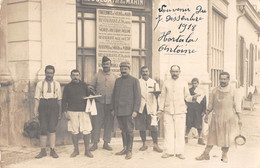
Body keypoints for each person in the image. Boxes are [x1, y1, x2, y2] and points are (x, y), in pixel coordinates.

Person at [196, 72, 242, 163]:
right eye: (221, 79)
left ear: (228, 79)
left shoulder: (233, 91)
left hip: (228, 117)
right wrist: (207, 114)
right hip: (215, 116)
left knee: (226, 137)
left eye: (225, 79)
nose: (223, 81)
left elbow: (237, 105)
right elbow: (210, 104)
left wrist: (240, 118)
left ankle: (224, 154)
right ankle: (206, 153)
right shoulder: (214, 90)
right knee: (211, 136)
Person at [157, 65, 196, 159]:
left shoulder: (183, 83)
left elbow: (187, 96)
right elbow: (162, 97)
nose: (174, 73)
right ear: (170, 72)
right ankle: (168, 151)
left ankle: (179, 152)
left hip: (180, 111)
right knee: (168, 131)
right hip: (168, 111)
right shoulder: (166, 83)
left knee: (180, 132)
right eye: (173, 71)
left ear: (179, 72)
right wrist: (160, 109)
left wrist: (192, 98)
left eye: (176, 71)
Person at [112, 61, 141, 160]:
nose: (123, 70)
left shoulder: (134, 81)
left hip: (129, 111)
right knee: (123, 130)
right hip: (119, 110)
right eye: (122, 69)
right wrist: (113, 108)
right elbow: (114, 95)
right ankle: (124, 148)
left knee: (129, 131)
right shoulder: (118, 81)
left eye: (125, 69)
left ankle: (129, 150)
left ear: (129, 70)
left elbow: (138, 97)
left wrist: (135, 110)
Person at [62, 69, 93, 158]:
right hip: (72, 111)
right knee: (74, 131)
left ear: (79, 76)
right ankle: (76, 150)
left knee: (86, 130)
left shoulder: (84, 85)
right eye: (73, 75)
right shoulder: (67, 87)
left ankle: (87, 151)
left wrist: (89, 109)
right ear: (71, 76)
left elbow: (88, 97)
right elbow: (64, 100)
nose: (75, 77)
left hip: (84, 111)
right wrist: (64, 111)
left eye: (77, 75)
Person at [89, 56, 117, 151]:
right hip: (98, 103)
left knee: (108, 124)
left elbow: (117, 91)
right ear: (102, 65)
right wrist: (94, 94)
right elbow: (90, 87)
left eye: (107, 64)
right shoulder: (96, 75)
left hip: (110, 104)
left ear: (110, 65)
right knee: (96, 123)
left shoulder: (115, 77)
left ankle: (106, 143)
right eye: (104, 64)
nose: (106, 66)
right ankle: (95, 143)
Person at [34, 65, 62, 159]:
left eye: (51, 73)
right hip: (43, 105)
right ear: (45, 73)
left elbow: (59, 99)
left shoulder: (57, 84)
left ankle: (52, 150)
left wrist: (60, 111)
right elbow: (37, 98)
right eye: (48, 73)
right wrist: (35, 109)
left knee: (52, 128)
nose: (49, 75)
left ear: (53, 73)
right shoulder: (39, 84)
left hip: (53, 105)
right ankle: (42, 150)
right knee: (43, 127)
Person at [135, 66, 163, 153]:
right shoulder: (138, 82)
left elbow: (159, 96)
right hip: (141, 107)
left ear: (149, 72)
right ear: (141, 73)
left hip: (152, 107)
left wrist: (159, 109)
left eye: (146, 71)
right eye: (143, 71)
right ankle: (144, 144)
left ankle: (155, 144)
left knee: (154, 126)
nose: (145, 73)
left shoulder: (154, 82)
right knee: (142, 126)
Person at [185, 78, 206, 145]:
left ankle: (200, 138)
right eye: (193, 83)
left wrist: (204, 110)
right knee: (189, 124)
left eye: (196, 83)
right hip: (191, 109)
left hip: (198, 110)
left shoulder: (201, 91)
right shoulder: (189, 91)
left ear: (198, 83)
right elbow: (186, 99)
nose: (195, 85)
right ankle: (185, 137)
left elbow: (204, 101)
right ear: (192, 84)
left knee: (199, 124)